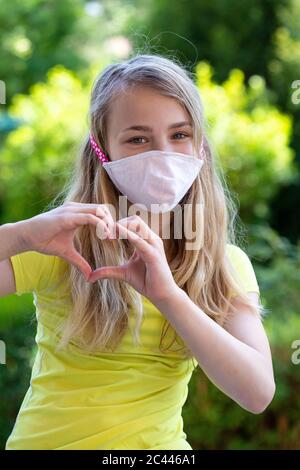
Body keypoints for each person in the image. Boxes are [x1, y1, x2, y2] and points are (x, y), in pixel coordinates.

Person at [0, 53, 275, 450]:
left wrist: (168, 295)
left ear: (200, 147)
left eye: (179, 134)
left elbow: (256, 392)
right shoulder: (65, 244)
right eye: (138, 139)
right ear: (102, 151)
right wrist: (21, 235)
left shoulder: (222, 264)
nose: (163, 153)